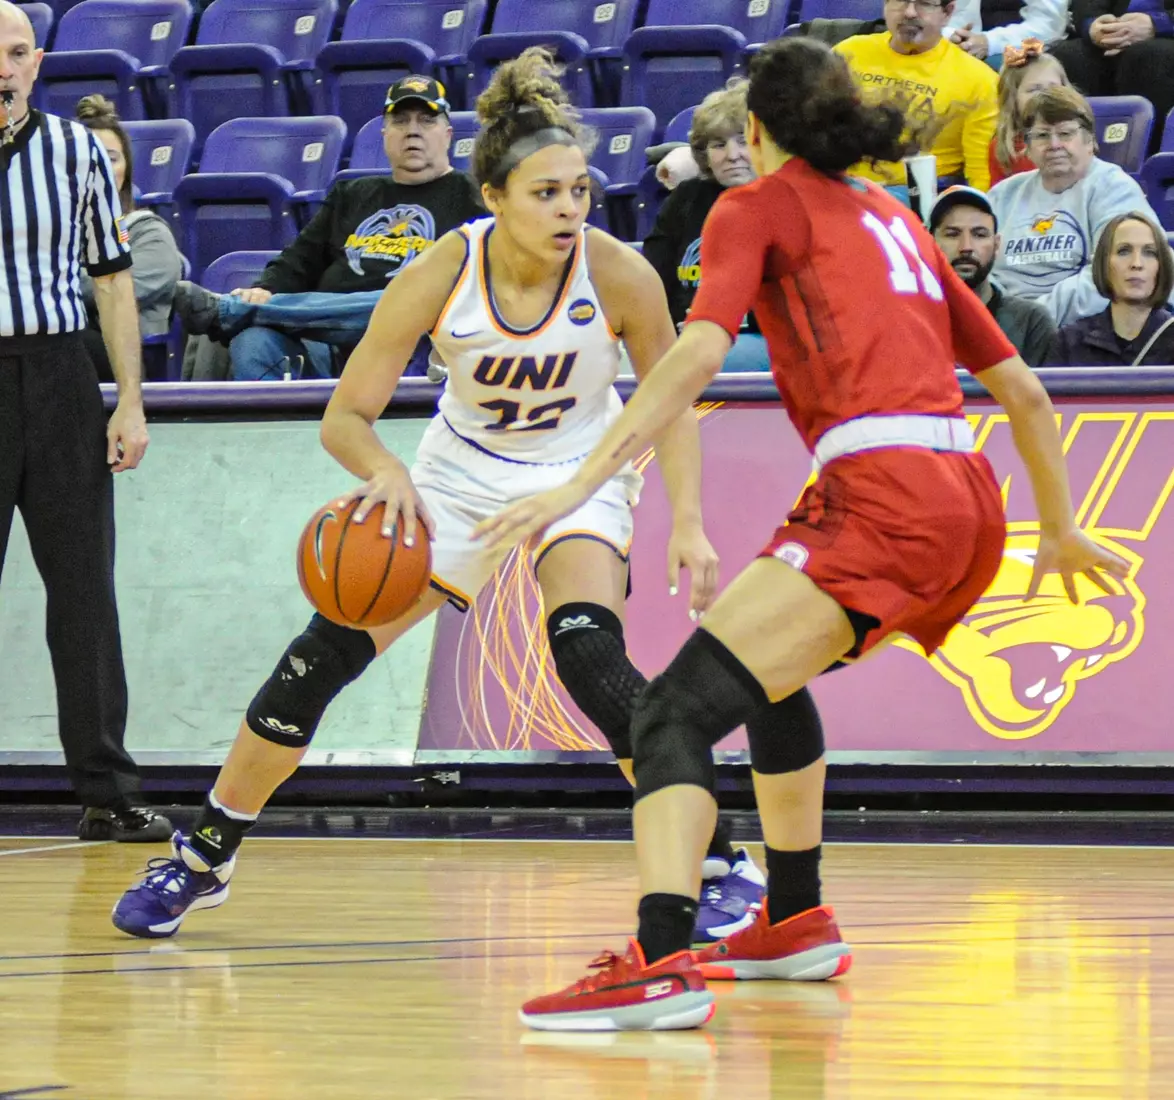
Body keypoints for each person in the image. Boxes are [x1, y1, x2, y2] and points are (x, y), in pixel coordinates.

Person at [474, 37, 1127, 1032]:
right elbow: (1024, 391)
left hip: (882, 492)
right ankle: (792, 914)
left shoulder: (754, 205)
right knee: (766, 674)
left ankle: (655, 958)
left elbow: (697, 348)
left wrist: (584, 472)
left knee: (670, 717)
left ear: (760, 131)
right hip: (968, 496)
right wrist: (1063, 527)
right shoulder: (897, 222)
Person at [110, 48, 758, 943]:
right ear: (493, 198)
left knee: (586, 656)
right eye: (546, 193)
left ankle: (725, 865)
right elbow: (347, 416)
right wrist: (386, 473)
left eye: (579, 190)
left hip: (580, 474)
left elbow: (672, 400)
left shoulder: (619, 274)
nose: (570, 209)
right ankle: (205, 855)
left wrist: (686, 520)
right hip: (458, 477)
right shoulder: (438, 270)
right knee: (316, 663)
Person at [0, 1, 171, 842]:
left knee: (82, 593)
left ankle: (107, 792)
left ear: (38, 62)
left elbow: (112, 280)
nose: (3, 66)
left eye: (18, 51)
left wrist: (129, 400)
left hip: (62, 376)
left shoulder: (74, 152)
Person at [174, 76, 483, 381]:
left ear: (447, 134)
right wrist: (265, 289)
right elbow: (300, 258)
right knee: (252, 341)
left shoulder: (474, 196)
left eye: (427, 121)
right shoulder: (351, 193)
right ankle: (273, 427)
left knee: (405, 298)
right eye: (400, 121)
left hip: (412, 341)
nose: (413, 130)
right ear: (385, 133)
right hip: (327, 344)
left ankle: (232, 310)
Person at [987, 85, 1169, 326]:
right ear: (1027, 148)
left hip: (1084, 330)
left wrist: (1033, 322)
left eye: (1065, 134)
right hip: (1003, 325)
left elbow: (1114, 273)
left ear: (1090, 141)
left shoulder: (1114, 189)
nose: (1054, 145)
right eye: (1041, 135)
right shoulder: (1002, 195)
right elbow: (980, 269)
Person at [643, 79, 769, 374]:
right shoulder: (685, 199)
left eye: (742, 140)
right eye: (718, 145)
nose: (732, 155)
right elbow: (653, 282)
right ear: (704, 155)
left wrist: (713, 323)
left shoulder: (782, 201)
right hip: (684, 337)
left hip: (756, 339)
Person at [832, 0, 999, 193]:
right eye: (900, 1)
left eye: (924, 3)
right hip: (836, 184)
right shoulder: (847, 53)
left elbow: (982, 175)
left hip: (914, 197)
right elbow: (810, 131)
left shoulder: (979, 80)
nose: (910, 12)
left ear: (947, 12)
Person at [74, 94, 183, 382]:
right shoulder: (49, 232)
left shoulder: (150, 233)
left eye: (110, 158)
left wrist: (50, 280)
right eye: (87, 157)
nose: (99, 167)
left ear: (126, 170)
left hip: (125, 360)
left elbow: (111, 289)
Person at [930, 185, 1057, 364]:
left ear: (997, 245)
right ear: (928, 243)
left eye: (979, 235)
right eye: (952, 234)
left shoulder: (1031, 321)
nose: (966, 246)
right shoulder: (910, 320)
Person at [1046, 210, 1174, 364]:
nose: (1136, 264)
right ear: (1104, 263)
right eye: (1123, 251)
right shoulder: (1068, 342)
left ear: (1162, 265)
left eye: (1149, 252)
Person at [1051, 0, 1174, 158]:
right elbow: (1087, 7)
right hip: (1118, 35)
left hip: (1166, 36)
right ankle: (1074, 159)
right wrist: (1094, 26)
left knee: (1149, 57)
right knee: (1069, 56)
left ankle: (1151, 163)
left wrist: (1158, 24)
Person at [988, 40, 1070, 185]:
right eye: (1034, 89)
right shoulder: (1002, 148)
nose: (1046, 95)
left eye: (1054, 87)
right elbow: (999, 198)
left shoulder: (1077, 136)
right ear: (1012, 99)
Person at [947, 1, 1068, 64]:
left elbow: (1049, 25)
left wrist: (989, 42)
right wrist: (952, 35)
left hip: (1014, 48)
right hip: (952, 42)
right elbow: (933, 10)